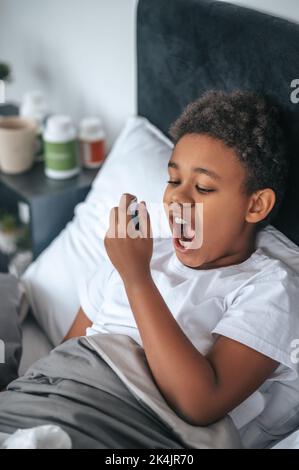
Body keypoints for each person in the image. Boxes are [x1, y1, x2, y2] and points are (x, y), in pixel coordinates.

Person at [0, 90, 298, 449]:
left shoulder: (268, 288)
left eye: (203, 187)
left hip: (120, 421)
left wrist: (137, 278)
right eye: (173, 180)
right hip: (46, 397)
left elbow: (200, 404)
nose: (178, 197)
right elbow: (66, 354)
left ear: (255, 205)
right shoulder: (143, 252)